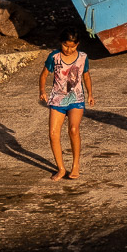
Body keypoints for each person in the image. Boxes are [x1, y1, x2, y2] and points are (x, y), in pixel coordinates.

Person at [39, 32, 95, 180]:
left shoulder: (83, 57)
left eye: (72, 46)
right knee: (53, 133)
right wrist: (42, 91)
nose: (68, 50)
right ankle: (61, 168)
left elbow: (86, 76)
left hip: (76, 99)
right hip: (57, 100)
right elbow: (44, 75)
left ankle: (75, 165)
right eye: (65, 45)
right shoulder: (54, 57)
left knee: (74, 129)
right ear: (60, 42)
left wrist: (90, 94)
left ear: (77, 45)